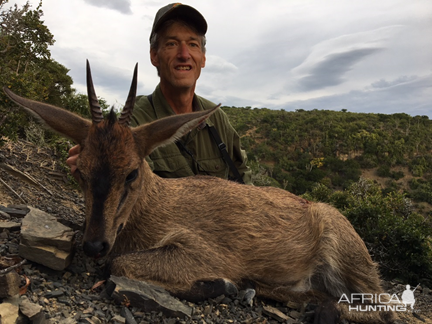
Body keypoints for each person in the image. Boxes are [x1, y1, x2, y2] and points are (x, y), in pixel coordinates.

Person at [67, 3, 251, 184]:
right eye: (172, 43)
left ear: (203, 58)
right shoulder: (134, 124)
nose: (184, 54)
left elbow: (242, 173)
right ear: (154, 56)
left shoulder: (216, 118)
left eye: (193, 44)